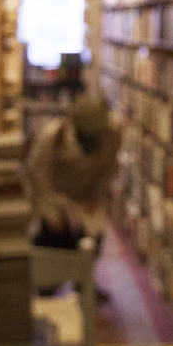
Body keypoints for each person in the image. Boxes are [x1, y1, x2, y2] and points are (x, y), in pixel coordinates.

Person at [25, 95, 121, 249]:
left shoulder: (112, 134)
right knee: (55, 254)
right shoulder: (53, 136)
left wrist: (97, 199)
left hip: (87, 208)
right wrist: (51, 213)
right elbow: (38, 175)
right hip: (57, 206)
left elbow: (107, 170)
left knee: (88, 255)